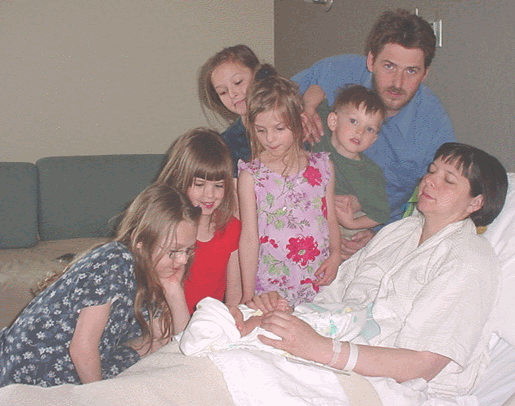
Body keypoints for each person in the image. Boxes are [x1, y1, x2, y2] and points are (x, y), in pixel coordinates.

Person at [250, 143, 508, 397]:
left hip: (399, 388)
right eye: (431, 171)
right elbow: (334, 294)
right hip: (331, 351)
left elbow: (424, 365)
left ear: (476, 203)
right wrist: (289, 313)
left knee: (247, 372)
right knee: (234, 327)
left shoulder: (470, 259)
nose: (430, 181)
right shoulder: (398, 232)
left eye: (448, 180)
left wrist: (322, 349)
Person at [293, 9, 456, 258]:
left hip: (364, 239)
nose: (397, 83)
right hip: (297, 211)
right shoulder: (333, 73)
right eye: (389, 66)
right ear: (371, 61)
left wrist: (380, 235)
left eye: (411, 71)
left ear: (425, 73)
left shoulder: (433, 129)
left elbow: (444, 203)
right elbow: (267, 106)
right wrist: (305, 105)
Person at [0, 185, 201, 387]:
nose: (183, 260)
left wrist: (174, 289)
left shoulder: (152, 270)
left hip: (83, 360)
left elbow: (177, 343)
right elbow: (81, 349)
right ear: (141, 242)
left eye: (188, 250)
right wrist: (99, 395)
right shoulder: (113, 261)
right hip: (33, 367)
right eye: (174, 252)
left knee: (158, 344)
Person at [238, 69, 341, 306]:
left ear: (300, 122)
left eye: (279, 129)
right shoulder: (251, 176)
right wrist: (247, 293)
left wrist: (335, 255)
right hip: (270, 285)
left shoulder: (323, 167)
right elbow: (249, 238)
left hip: (317, 280)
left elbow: (330, 218)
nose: (269, 139)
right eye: (261, 130)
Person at [156, 128, 241, 314]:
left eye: (218, 186)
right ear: (179, 178)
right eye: (200, 184)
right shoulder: (165, 228)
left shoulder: (231, 228)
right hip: (166, 319)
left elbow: (235, 294)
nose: (209, 195)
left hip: (209, 322)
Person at [312, 85, 390, 239]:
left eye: (369, 129)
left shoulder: (370, 174)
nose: (360, 131)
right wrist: (308, 105)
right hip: (310, 210)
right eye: (354, 121)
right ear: (333, 121)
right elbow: (316, 90)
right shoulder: (320, 134)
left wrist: (351, 223)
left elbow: (380, 214)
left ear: (374, 139)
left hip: (342, 224)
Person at [180, 297, 366, 357]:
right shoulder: (253, 335)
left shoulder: (248, 314)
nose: (231, 306)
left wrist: (282, 308)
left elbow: (283, 314)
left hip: (295, 320)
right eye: (228, 310)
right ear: (235, 326)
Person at [199, 44, 260, 176]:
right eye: (223, 92)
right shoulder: (225, 146)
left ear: (258, 75)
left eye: (238, 82)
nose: (232, 94)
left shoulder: (296, 125)